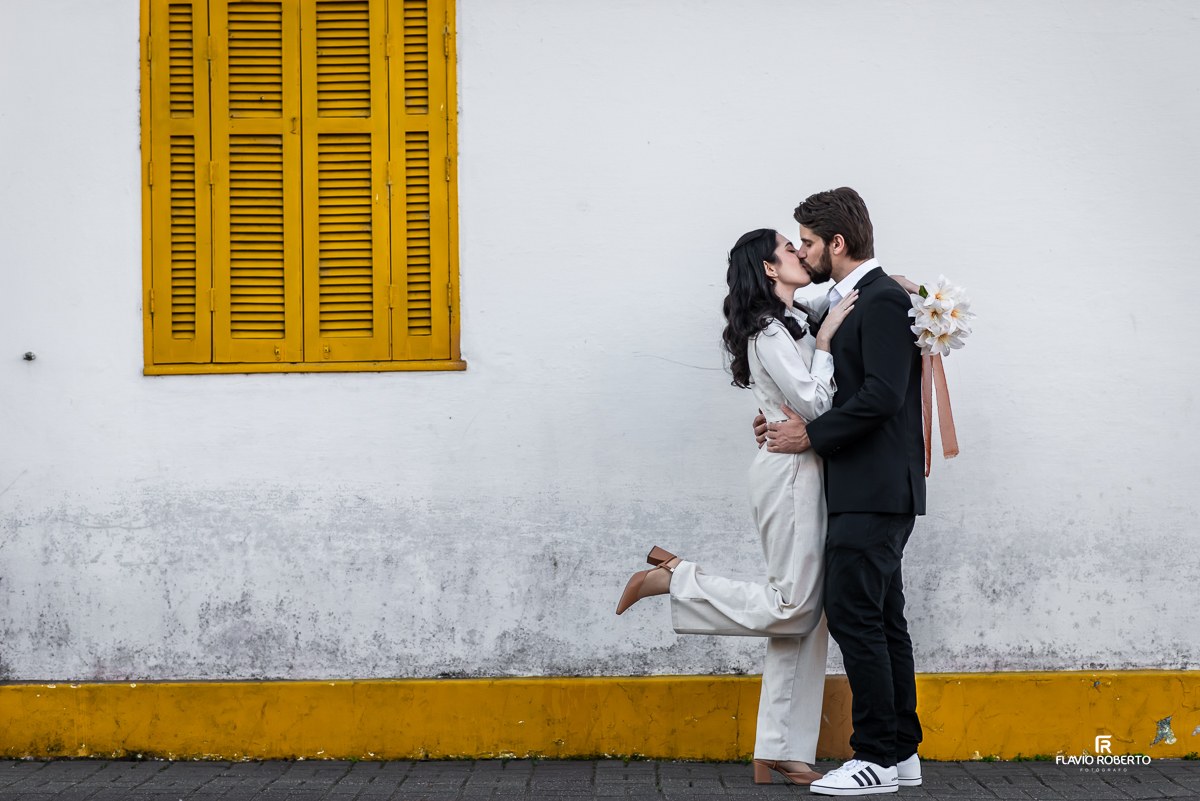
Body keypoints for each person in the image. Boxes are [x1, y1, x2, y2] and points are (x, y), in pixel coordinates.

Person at [615, 227, 859, 786]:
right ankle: (675, 579)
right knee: (795, 605)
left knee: (806, 615)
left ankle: (779, 746)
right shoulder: (771, 330)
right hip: (791, 472)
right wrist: (824, 349)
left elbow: (867, 287)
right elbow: (815, 404)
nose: (801, 252)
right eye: (789, 248)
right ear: (769, 269)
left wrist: (912, 294)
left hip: (807, 469)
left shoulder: (796, 311)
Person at [755, 187, 926, 796]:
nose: (800, 251)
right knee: (882, 618)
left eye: (805, 242)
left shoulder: (879, 301)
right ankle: (901, 754)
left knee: (857, 618)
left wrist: (812, 436)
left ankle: (875, 757)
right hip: (873, 486)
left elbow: (883, 394)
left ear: (836, 243)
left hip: (873, 488)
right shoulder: (872, 295)